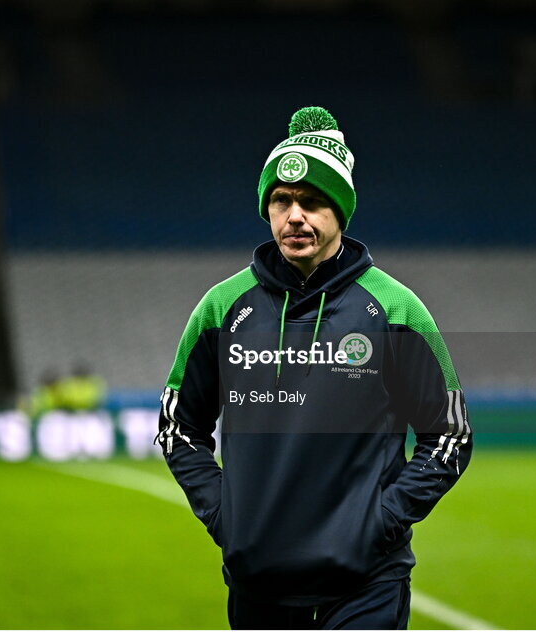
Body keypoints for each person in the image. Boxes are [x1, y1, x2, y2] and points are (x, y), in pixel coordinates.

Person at [155, 106, 472, 630]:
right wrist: (225, 516)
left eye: (313, 202)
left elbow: (450, 437)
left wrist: (381, 521)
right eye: (282, 201)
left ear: (340, 213)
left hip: (366, 580)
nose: (295, 215)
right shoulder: (221, 308)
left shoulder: (395, 309)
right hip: (259, 581)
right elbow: (178, 429)